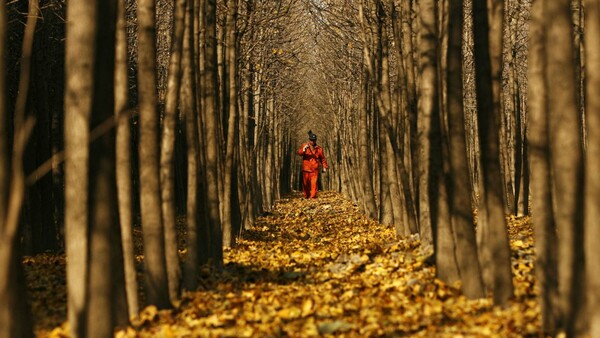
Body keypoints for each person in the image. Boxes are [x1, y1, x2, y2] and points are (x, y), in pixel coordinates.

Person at [297, 131, 328, 199]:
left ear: (316, 140)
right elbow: (299, 153)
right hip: (306, 169)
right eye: (311, 140)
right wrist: (303, 150)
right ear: (309, 140)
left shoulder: (319, 149)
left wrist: (324, 166)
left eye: (314, 140)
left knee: (314, 184)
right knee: (305, 184)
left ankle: (313, 197)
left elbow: (322, 158)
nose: (312, 141)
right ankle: (306, 196)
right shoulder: (305, 146)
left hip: (315, 169)